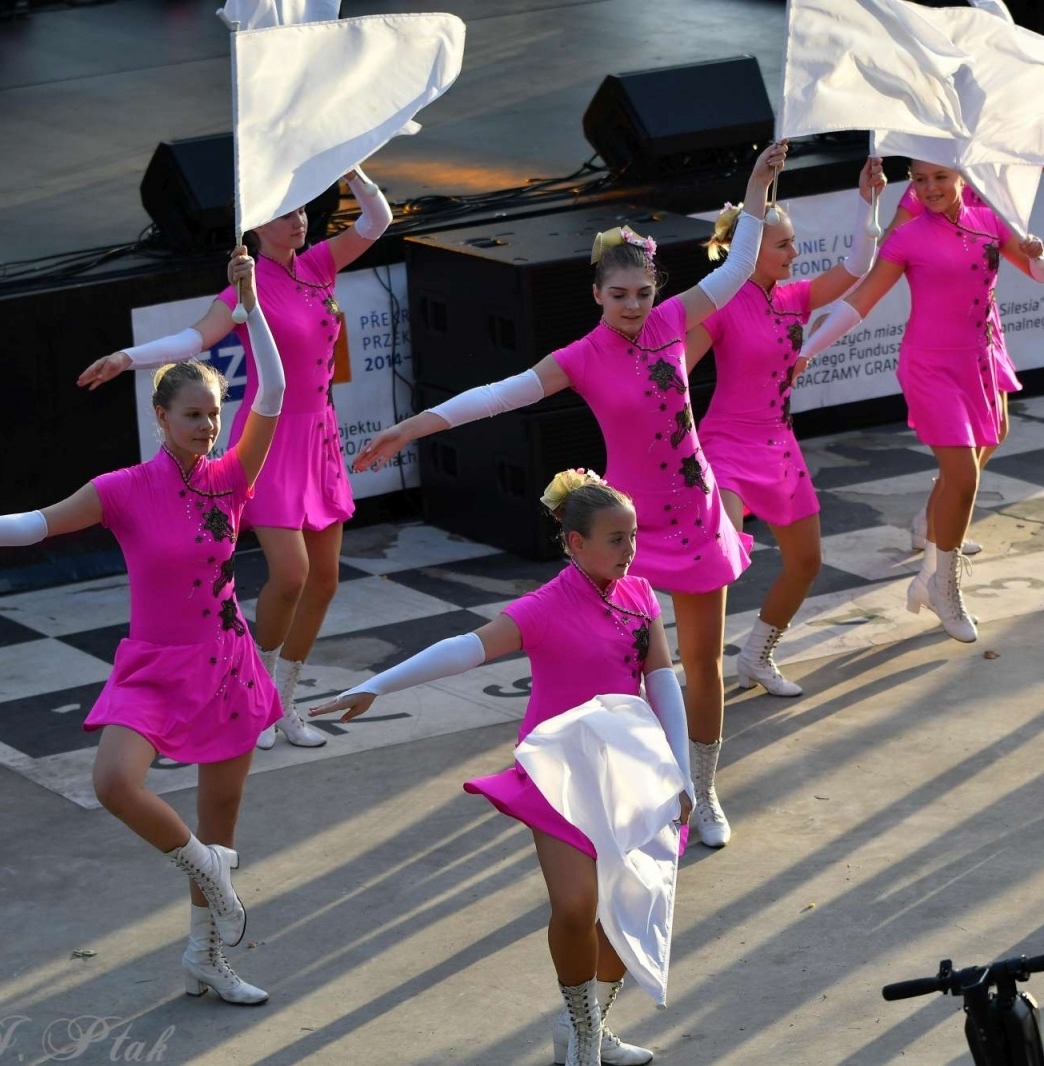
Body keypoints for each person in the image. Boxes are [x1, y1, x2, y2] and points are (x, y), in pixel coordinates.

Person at [349, 142, 785, 849]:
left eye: (643, 294)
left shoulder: (674, 320)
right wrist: (412, 426)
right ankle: (627, 790)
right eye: (619, 296)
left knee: (701, 667)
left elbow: (738, 266)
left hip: (700, 516)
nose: (634, 307)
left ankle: (701, 793)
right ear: (595, 295)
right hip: (627, 532)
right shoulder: (578, 358)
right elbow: (497, 397)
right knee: (629, 671)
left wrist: (757, 187)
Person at [0, 251, 284, 1005]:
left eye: (213, 414)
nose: (207, 428)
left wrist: (250, 303)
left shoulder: (233, 475)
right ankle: (211, 872)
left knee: (222, 815)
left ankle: (207, 957)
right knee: (115, 782)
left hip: (229, 663)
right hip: (155, 665)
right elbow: (35, 526)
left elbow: (275, 387)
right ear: (160, 417)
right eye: (192, 416)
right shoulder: (122, 490)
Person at [310, 472, 693, 1066]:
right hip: (558, 774)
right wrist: (377, 685)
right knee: (574, 907)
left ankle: (587, 1023)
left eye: (633, 536)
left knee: (629, 914)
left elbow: (663, 682)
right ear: (575, 543)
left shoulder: (641, 597)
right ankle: (584, 1036)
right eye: (615, 539)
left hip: (630, 776)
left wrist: (684, 773)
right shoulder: (544, 607)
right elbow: (466, 647)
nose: (630, 549)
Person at [77, 168, 394, 750]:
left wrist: (350, 166)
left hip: (320, 436)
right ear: (255, 223)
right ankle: (258, 698)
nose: (297, 220)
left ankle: (284, 700)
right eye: (283, 213)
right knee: (291, 575)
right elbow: (192, 341)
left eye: (302, 210)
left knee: (324, 581)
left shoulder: (320, 263)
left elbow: (379, 220)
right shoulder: (243, 289)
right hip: (268, 439)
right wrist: (128, 357)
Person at [793, 159, 1044, 643]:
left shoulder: (990, 221)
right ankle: (944, 585)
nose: (930, 188)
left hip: (977, 362)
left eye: (940, 178)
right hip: (929, 369)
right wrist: (809, 350)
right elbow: (861, 301)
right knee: (963, 474)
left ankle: (932, 576)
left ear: (962, 177)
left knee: (974, 462)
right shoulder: (908, 236)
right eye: (920, 180)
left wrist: (1039, 253)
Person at [688, 157, 885, 696]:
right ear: (749, 249)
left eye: (794, 243)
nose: (794, 254)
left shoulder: (795, 298)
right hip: (726, 446)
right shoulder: (720, 305)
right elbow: (674, 375)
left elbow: (857, 267)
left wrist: (869, 199)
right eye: (783, 245)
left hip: (778, 445)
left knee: (807, 560)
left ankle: (756, 655)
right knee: (716, 557)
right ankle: (689, 663)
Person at [886, 181, 1025, 559]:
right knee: (963, 458)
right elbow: (891, 244)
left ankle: (938, 517)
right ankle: (934, 524)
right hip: (944, 338)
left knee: (996, 430)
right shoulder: (930, 183)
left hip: (984, 327)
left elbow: (1029, 258)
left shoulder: (991, 183)